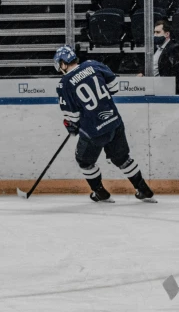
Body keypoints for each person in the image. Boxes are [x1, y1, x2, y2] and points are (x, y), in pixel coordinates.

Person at [53, 45, 155, 204]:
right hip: (114, 122)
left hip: (93, 130)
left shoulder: (64, 83)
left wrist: (71, 125)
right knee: (122, 159)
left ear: (63, 63)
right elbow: (114, 86)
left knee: (85, 162)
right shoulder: (93, 64)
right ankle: (143, 189)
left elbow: (72, 116)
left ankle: (100, 193)